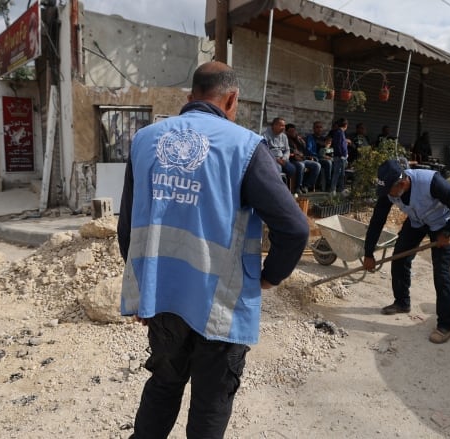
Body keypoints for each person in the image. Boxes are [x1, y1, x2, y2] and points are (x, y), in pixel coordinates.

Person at [117, 61, 308, 438]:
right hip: (221, 304)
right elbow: (295, 227)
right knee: (210, 402)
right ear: (233, 98)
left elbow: (128, 225)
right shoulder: (246, 147)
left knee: (163, 386)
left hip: (163, 298)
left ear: (190, 98)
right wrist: (269, 278)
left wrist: (142, 290)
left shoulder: (144, 140)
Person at [363, 159, 450, 344]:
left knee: (441, 273)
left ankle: (445, 326)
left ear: (402, 183)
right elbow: (377, 221)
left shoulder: (432, 182)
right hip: (416, 222)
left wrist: (447, 232)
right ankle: (402, 302)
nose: (387, 195)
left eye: (389, 191)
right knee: (399, 259)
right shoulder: (390, 189)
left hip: (441, 224)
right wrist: (368, 253)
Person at [263, 117, 304, 193]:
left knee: (292, 169)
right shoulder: (265, 135)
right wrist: (276, 159)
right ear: (274, 125)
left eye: (284, 126)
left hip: (283, 159)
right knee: (278, 168)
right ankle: (277, 191)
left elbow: (287, 150)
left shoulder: (284, 136)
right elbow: (264, 151)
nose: (283, 128)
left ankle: (291, 189)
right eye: (281, 125)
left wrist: (284, 158)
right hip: (272, 159)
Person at [286, 123, 321, 192]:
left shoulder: (297, 139)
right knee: (301, 165)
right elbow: (289, 151)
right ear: (287, 132)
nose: (293, 133)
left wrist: (300, 140)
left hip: (302, 158)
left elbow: (304, 149)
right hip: (292, 159)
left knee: (317, 165)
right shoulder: (285, 139)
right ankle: (298, 187)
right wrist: (296, 154)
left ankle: (306, 186)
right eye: (291, 131)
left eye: (294, 131)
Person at [306, 121, 333, 191]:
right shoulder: (310, 138)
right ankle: (328, 185)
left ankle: (336, 184)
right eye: (317, 127)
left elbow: (329, 150)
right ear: (314, 129)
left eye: (320, 127)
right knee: (328, 163)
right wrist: (321, 156)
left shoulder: (324, 138)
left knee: (336, 161)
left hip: (324, 157)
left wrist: (330, 155)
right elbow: (309, 150)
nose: (319, 129)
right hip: (315, 158)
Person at [329, 117, 349, 193]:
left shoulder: (340, 133)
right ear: (346, 125)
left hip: (341, 156)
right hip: (340, 156)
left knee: (341, 173)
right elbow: (339, 145)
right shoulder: (339, 133)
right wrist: (342, 155)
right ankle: (333, 189)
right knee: (337, 173)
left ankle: (341, 188)